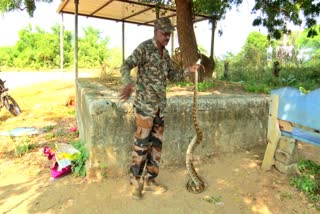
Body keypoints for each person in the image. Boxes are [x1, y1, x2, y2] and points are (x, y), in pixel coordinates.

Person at [119, 17, 201, 200]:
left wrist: (190, 69)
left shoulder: (166, 55)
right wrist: (127, 83)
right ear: (156, 32)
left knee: (156, 147)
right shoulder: (145, 49)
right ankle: (134, 182)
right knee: (141, 146)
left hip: (159, 109)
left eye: (169, 34)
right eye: (164, 33)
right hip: (145, 107)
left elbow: (174, 75)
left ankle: (150, 180)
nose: (167, 37)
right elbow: (125, 65)